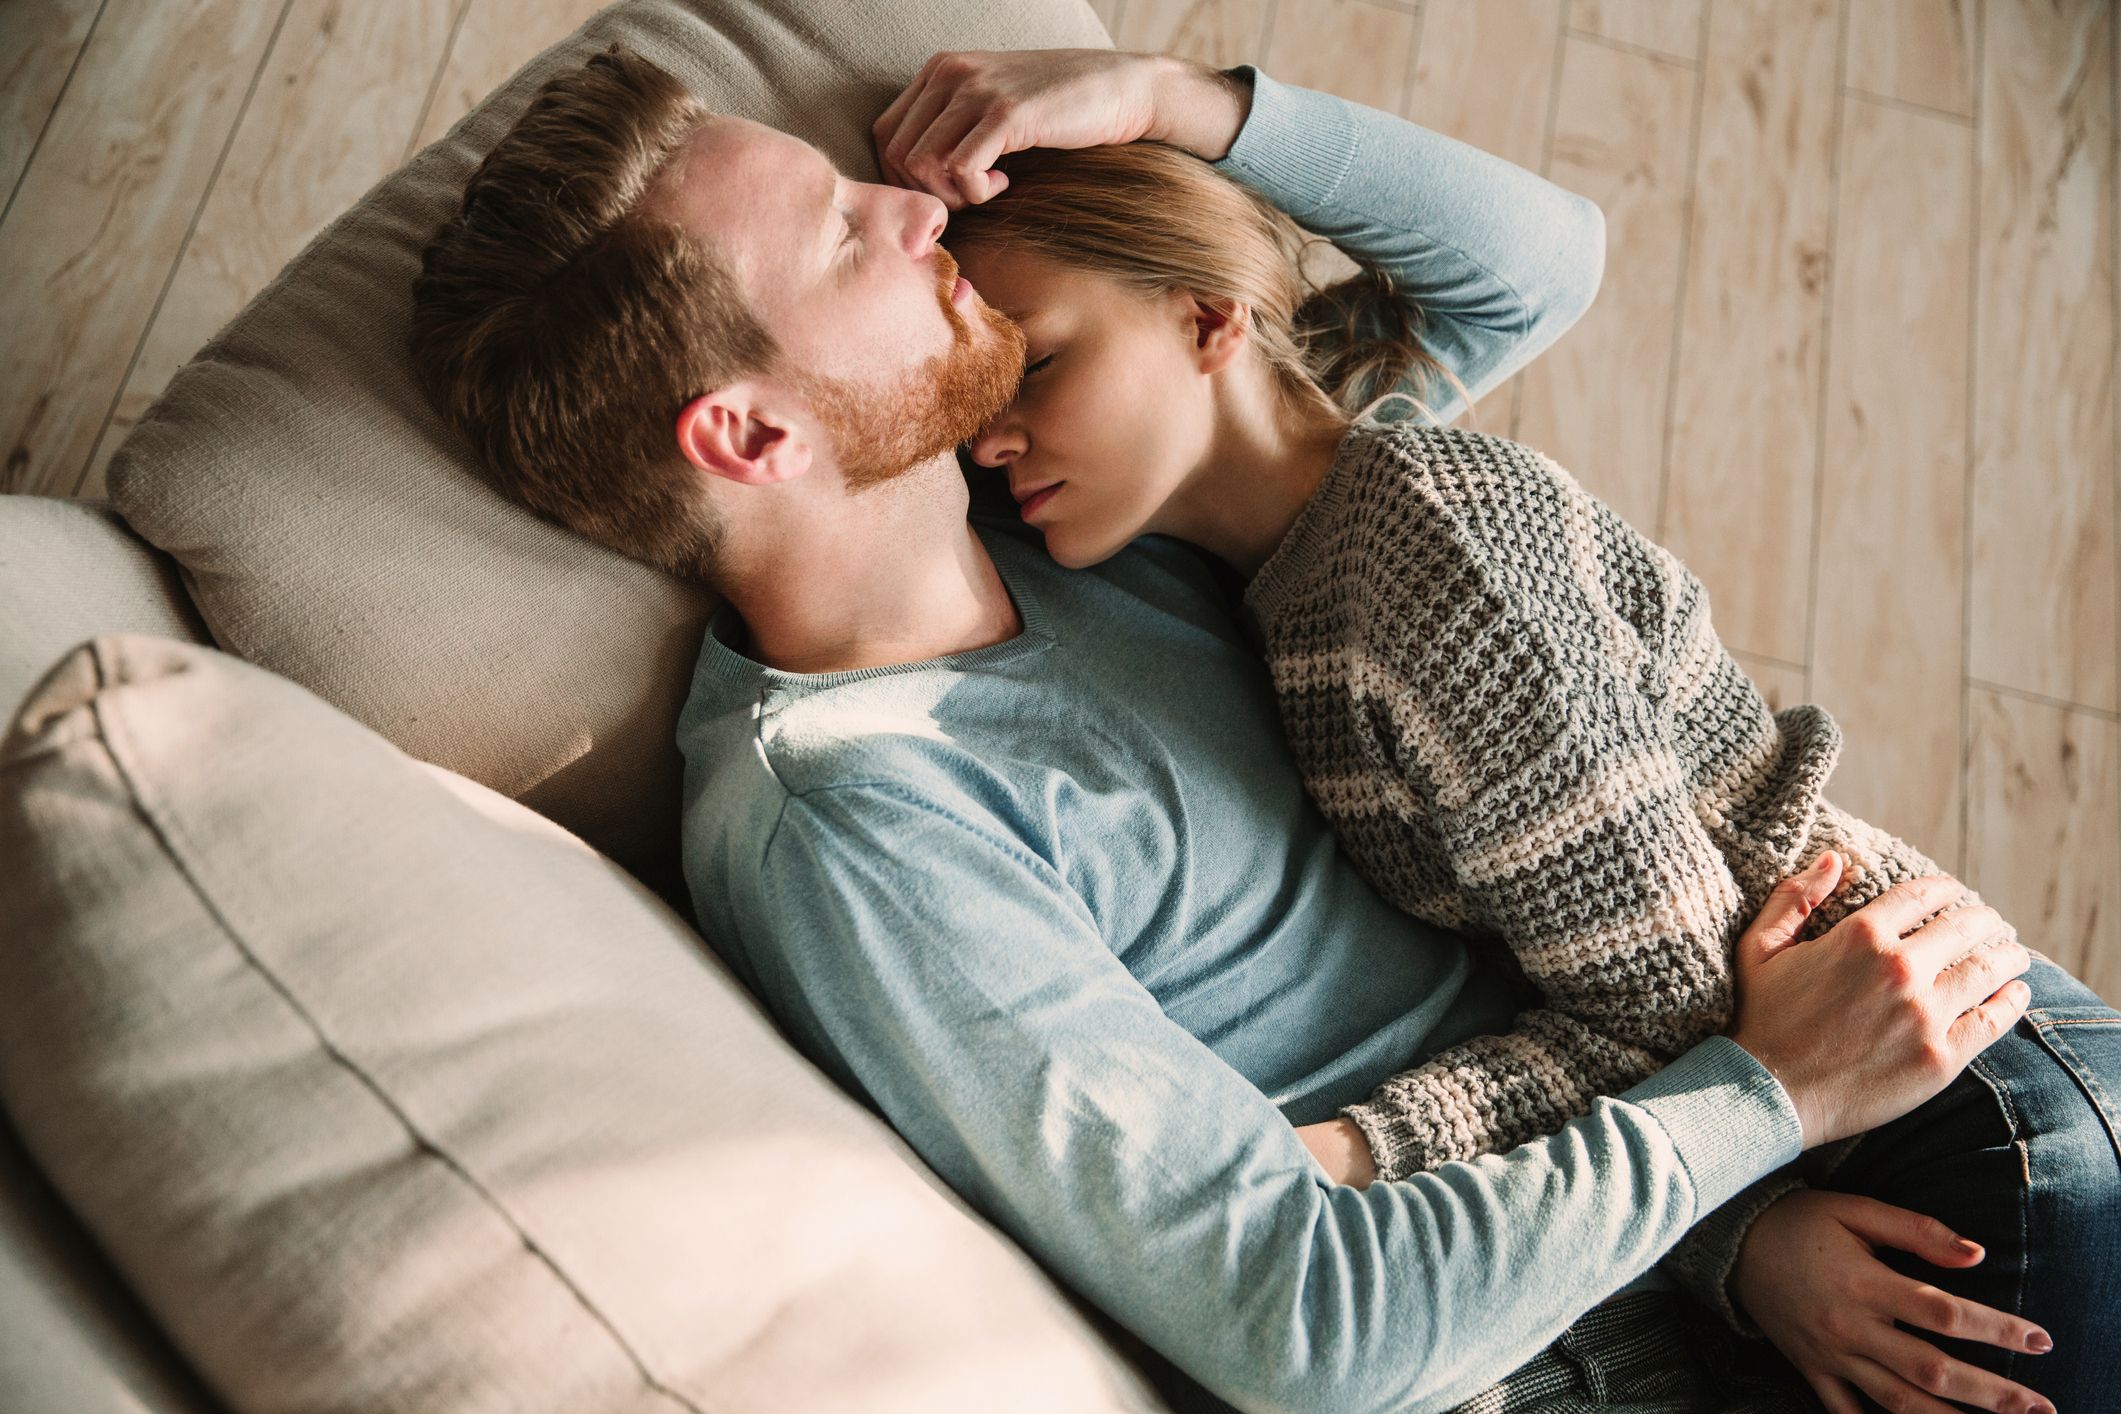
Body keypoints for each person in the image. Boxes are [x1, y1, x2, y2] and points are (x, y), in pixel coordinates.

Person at [405, 42, 2060, 1414]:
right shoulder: (856, 819)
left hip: (1758, 1148)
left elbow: (1529, 266)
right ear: (751, 433)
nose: (922, 209)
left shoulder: (1103, 513)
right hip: (1618, 1330)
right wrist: (1750, 1120)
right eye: (850, 235)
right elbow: (1306, 1320)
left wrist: (1171, 98)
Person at [892, 47, 2121, 1414]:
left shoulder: (1420, 550)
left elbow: (1699, 1012)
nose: (993, 443)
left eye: (1040, 363)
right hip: (1866, 1114)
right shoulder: (1291, 551)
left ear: (1206, 315)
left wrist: (1348, 1154)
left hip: (1942, 1118)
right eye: (970, 408)